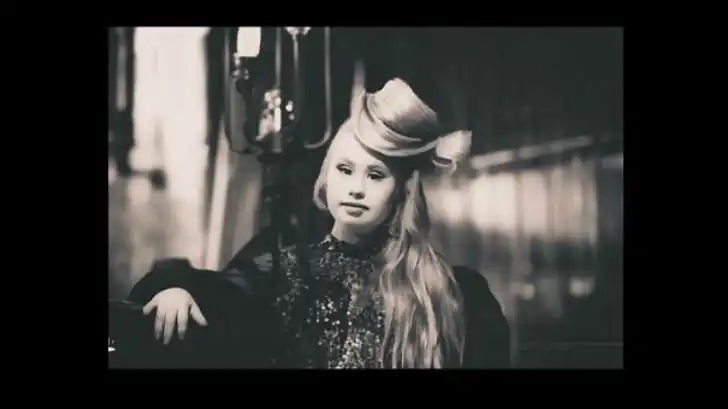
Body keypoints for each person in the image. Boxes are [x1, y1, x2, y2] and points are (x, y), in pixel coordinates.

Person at [127, 77, 511, 369]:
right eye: (345, 170)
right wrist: (176, 290)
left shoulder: (453, 291)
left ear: (400, 192)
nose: (356, 188)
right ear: (326, 178)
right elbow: (212, 291)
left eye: (376, 175)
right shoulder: (285, 271)